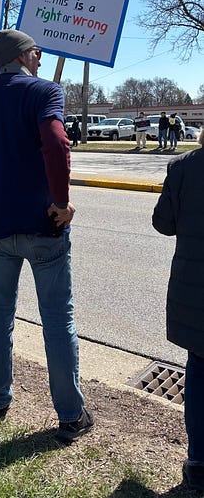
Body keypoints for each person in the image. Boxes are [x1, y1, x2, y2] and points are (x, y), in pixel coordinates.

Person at [0, 28, 94, 440]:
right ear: (23, 55)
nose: (39, 58)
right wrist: (62, 200)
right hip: (44, 223)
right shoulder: (45, 92)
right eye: (36, 52)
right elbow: (57, 144)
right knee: (57, 318)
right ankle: (71, 416)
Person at [152, 127, 204, 493]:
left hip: (194, 292)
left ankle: (199, 462)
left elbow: (162, 223)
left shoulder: (182, 167)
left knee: (199, 374)